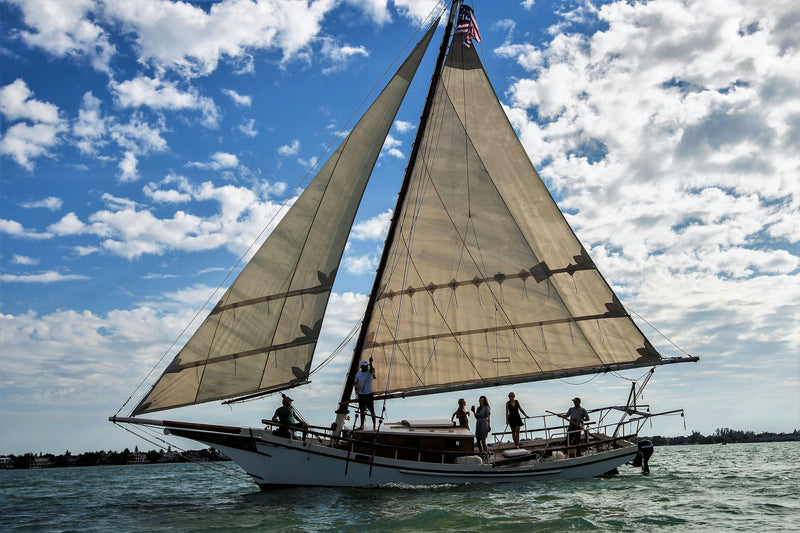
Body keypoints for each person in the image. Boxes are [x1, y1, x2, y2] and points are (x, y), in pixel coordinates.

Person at [354, 359, 376, 430]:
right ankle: (362, 426)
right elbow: (355, 382)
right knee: (362, 411)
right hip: (361, 394)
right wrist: (356, 387)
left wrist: (371, 362)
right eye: (364, 366)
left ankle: (374, 426)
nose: (366, 367)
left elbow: (371, 370)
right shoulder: (358, 374)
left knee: (372, 410)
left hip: (369, 394)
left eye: (367, 366)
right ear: (361, 367)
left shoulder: (369, 373)